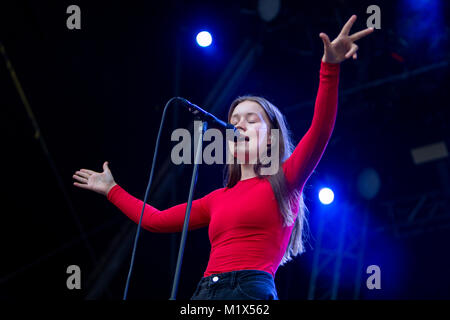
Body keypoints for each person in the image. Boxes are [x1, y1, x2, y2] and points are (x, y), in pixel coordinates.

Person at [73, 15, 373, 300]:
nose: (239, 124)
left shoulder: (285, 178)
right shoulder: (216, 199)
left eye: (251, 120)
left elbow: (320, 130)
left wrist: (329, 68)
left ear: (271, 138)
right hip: (205, 291)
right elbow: (156, 220)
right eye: (235, 119)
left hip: (250, 291)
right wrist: (112, 189)